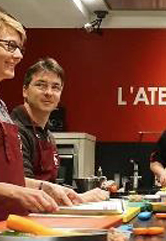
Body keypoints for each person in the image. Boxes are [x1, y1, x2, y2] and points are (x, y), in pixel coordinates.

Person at [0, 10, 78, 222]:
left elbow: (8, 179)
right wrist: (17, 192)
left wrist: (43, 187)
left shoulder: (0, 105)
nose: (19, 56)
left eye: (20, 48)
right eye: (10, 46)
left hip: (6, 222)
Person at [11, 58, 107, 202]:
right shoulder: (13, 129)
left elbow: (51, 184)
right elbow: (21, 186)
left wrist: (77, 195)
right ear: (25, 90)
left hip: (44, 210)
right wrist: (81, 198)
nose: (49, 92)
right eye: (41, 85)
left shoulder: (48, 135)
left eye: (55, 87)